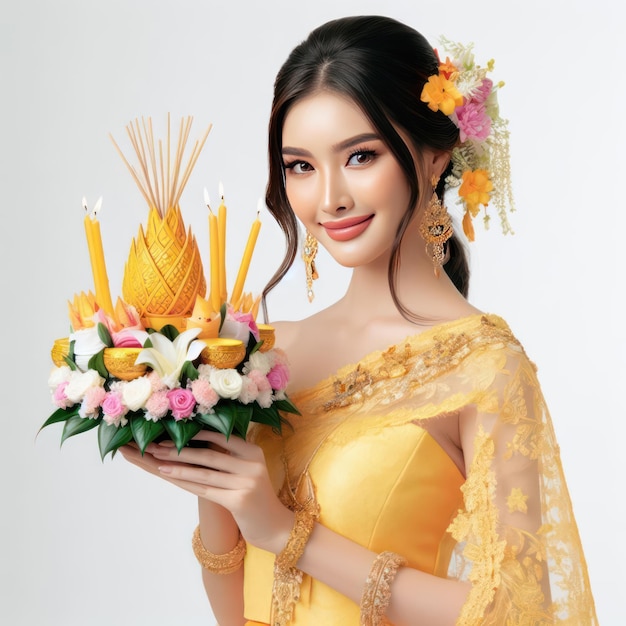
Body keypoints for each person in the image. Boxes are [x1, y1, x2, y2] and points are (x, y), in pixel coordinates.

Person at [120, 15, 598, 625]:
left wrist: (285, 531)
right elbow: (236, 615)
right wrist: (213, 483)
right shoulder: (263, 355)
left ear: (434, 157)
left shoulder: (482, 366)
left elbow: (516, 611)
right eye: (301, 166)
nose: (328, 198)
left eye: (361, 156)